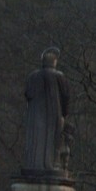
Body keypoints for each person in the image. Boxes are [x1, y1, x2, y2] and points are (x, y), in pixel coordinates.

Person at [23, 47, 70, 176]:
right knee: (53, 139)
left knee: (36, 140)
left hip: (35, 116)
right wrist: (64, 113)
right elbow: (65, 96)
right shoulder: (59, 76)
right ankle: (53, 164)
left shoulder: (32, 77)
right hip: (53, 114)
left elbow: (27, 94)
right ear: (54, 62)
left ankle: (34, 164)